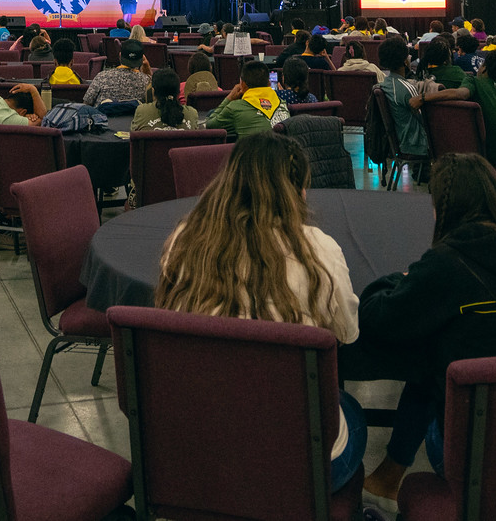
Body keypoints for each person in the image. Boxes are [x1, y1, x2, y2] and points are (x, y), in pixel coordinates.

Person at [354, 154, 496, 505]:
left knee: (434, 353)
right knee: (444, 346)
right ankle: (390, 472)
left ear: (445, 208)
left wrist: (400, 279)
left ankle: (390, 473)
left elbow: (378, 317)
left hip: (475, 445)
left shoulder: (449, 262)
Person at [153, 133, 364, 493]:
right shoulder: (319, 250)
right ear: (296, 190)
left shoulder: (184, 241)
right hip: (298, 460)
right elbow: (346, 334)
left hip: (199, 450)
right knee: (352, 412)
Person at [380, 40, 467, 164]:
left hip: (401, 141)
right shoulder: (407, 89)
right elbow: (425, 120)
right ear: (405, 61)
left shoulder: (385, 84)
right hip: (418, 143)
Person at [206, 63, 286, 140]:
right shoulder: (282, 103)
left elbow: (210, 125)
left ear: (243, 84)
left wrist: (229, 98)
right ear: (269, 83)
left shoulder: (235, 108)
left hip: (252, 152)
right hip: (284, 152)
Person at [84, 41, 151, 108]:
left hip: (102, 117)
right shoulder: (147, 81)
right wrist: (148, 70)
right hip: (134, 118)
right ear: (142, 59)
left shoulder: (102, 77)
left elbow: (86, 103)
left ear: (120, 55)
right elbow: (152, 103)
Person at [132, 68, 201, 130]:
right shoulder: (192, 114)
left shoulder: (141, 111)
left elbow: (133, 139)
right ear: (178, 92)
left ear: (153, 91)